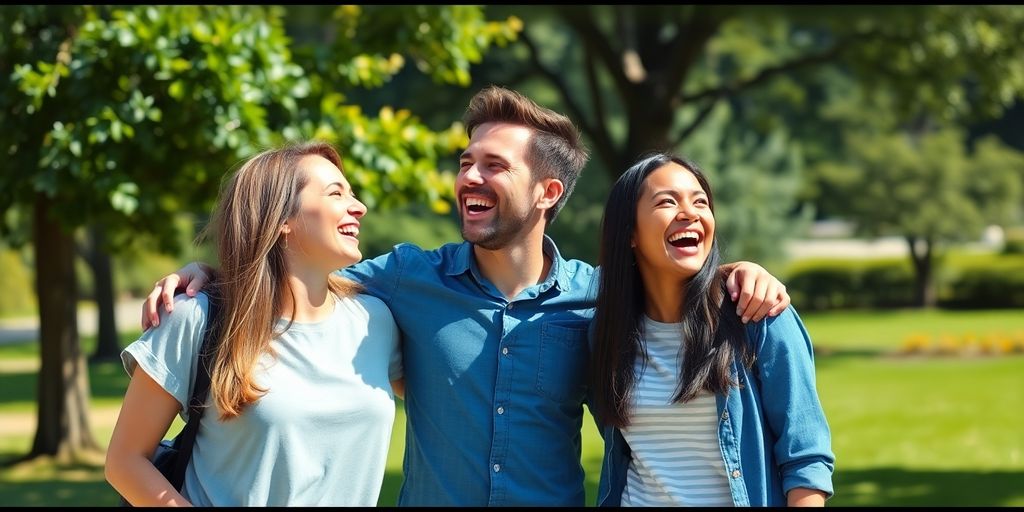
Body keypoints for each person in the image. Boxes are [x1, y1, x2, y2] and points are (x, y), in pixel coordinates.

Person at [140, 86, 792, 506]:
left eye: (493, 165)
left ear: (548, 193)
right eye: (464, 162)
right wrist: (209, 271)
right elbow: (293, 270)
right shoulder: (404, 280)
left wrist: (740, 271)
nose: (468, 176)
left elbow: (674, 276)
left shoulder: (602, 302)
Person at [106, 141, 404, 506]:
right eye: (336, 193)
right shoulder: (194, 319)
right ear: (282, 220)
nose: (359, 207)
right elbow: (124, 462)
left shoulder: (376, 322)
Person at [589, 152, 834, 507]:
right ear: (630, 233)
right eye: (667, 202)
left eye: (700, 201)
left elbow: (806, 457)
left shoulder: (759, 315)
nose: (690, 213)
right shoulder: (605, 332)